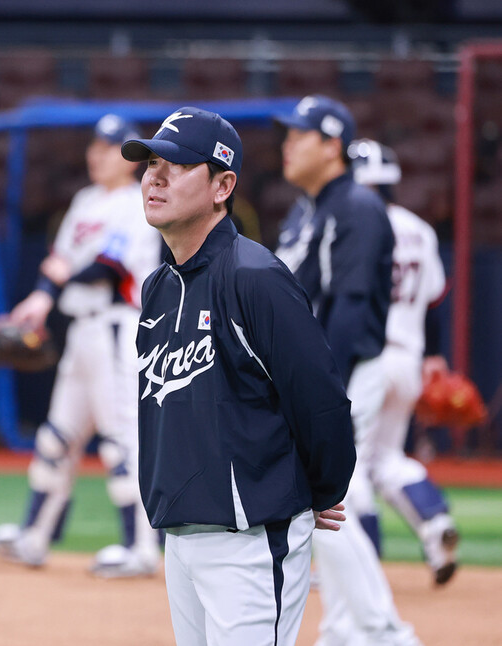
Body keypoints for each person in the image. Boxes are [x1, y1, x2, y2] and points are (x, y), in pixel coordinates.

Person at [123, 106, 353, 646]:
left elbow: (320, 399)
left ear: (223, 185)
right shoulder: (158, 288)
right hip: (181, 536)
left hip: (249, 539)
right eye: (150, 162)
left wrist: (317, 489)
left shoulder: (255, 277)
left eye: (176, 165)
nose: (154, 176)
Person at [0, 114, 164, 578]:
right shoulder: (85, 202)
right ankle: (34, 538)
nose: (97, 154)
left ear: (129, 160)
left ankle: (141, 548)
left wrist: (57, 285)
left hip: (116, 329)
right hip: (81, 331)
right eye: (95, 146)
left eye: (109, 148)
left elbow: (107, 267)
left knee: (122, 442)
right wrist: (41, 298)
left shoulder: (135, 202)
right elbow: (59, 262)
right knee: (56, 439)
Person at [274, 96, 422, 646]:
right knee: (321, 503)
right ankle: (345, 628)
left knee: (320, 502)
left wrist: (320, 385)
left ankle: (383, 631)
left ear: (332, 145)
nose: (287, 144)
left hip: (344, 372)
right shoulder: (307, 209)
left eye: (299, 135)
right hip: (315, 375)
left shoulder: (356, 207)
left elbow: (352, 306)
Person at [348, 138, 459, 584]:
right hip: (408, 359)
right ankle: (434, 525)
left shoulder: (355, 223)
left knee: (348, 462)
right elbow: (434, 299)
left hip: (367, 360)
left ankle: (363, 564)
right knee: (387, 459)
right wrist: (433, 355)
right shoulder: (420, 228)